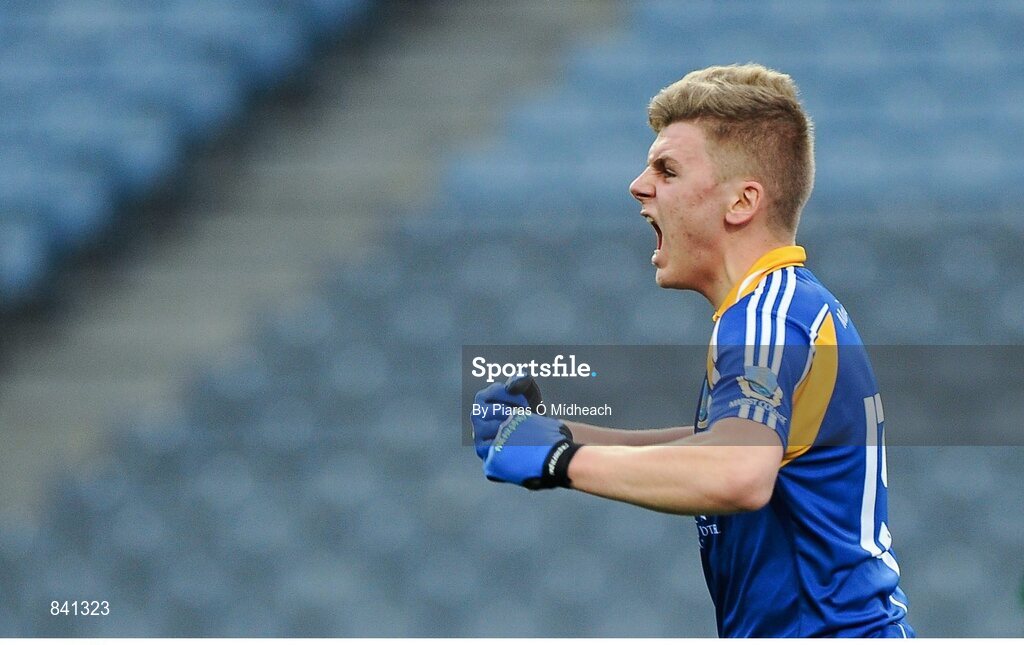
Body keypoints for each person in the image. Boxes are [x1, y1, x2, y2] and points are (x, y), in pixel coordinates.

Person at [471, 64, 914, 638]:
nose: (639, 184)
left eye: (667, 169)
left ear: (741, 202)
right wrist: (561, 435)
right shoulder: (783, 307)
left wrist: (560, 462)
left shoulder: (764, 319)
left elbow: (737, 474)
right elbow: (725, 446)